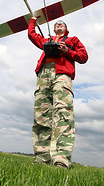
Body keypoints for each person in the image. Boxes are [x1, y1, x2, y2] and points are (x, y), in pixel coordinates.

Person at [28, 16, 88, 168]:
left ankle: (61, 158)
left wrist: (67, 51)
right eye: (56, 24)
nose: (59, 24)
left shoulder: (72, 40)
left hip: (62, 75)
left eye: (62, 23)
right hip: (44, 75)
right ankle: (42, 158)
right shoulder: (47, 40)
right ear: (54, 29)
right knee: (41, 115)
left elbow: (83, 56)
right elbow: (32, 35)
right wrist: (33, 20)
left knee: (63, 112)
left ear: (66, 28)